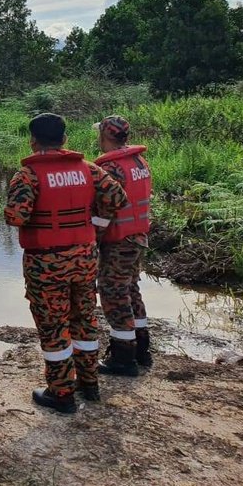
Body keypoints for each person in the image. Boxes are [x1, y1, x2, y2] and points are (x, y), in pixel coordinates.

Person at [5, 113, 128, 413]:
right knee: (84, 320)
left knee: (53, 326)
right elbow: (118, 197)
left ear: (33, 141)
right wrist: (94, 222)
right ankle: (89, 383)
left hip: (45, 265)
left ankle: (61, 393)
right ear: (64, 140)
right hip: (84, 259)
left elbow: (15, 217)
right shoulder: (89, 169)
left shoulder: (28, 176)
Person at [94, 115, 153, 375]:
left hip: (119, 241)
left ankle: (123, 356)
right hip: (138, 236)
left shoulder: (112, 168)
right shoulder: (138, 160)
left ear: (105, 135)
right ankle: (142, 348)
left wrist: (91, 240)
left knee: (113, 293)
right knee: (131, 289)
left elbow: (104, 211)